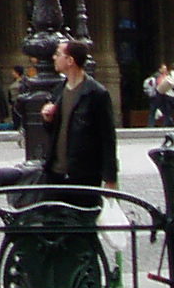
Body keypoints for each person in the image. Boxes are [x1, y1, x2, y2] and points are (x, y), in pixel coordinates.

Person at [39, 37, 118, 208]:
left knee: (83, 220)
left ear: (70, 61)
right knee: (54, 219)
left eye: (58, 54)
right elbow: (54, 131)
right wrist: (48, 120)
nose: (53, 57)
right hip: (55, 173)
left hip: (84, 175)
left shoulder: (96, 93)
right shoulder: (59, 90)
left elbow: (108, 138)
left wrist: (110, 178)